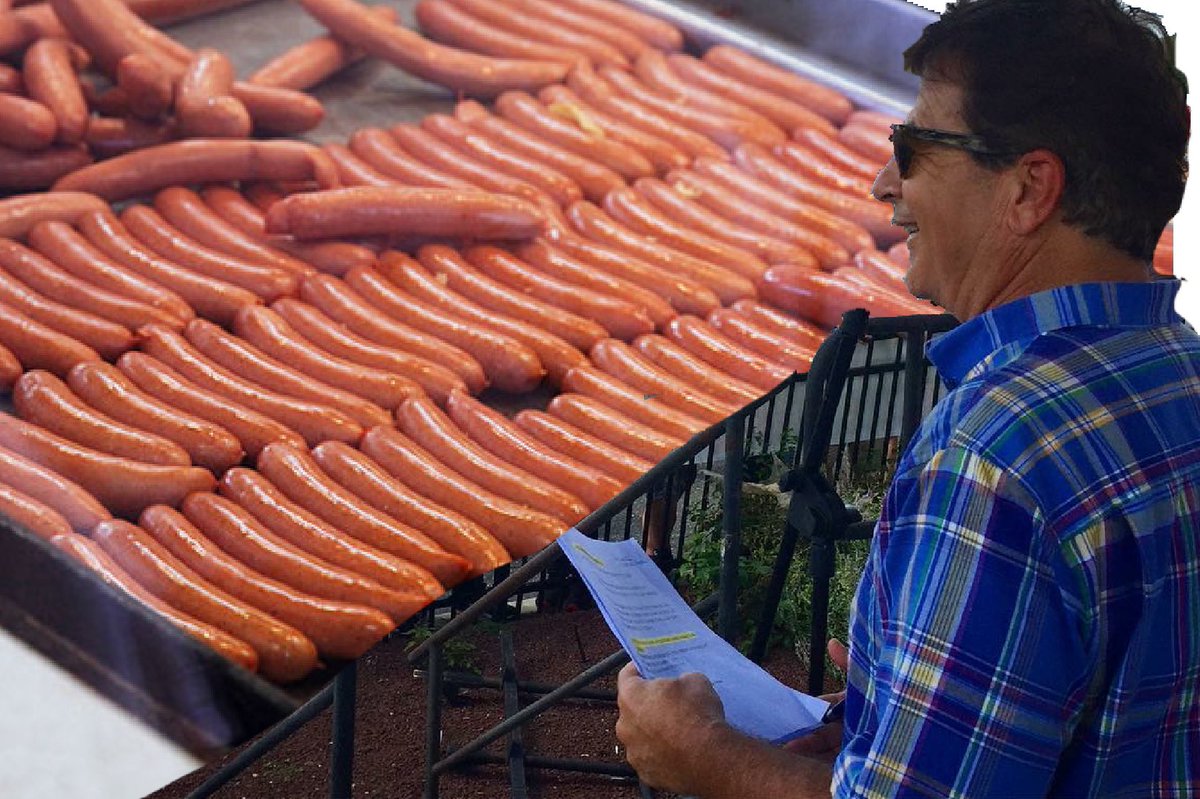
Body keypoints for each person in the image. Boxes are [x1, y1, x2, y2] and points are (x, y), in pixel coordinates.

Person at [614, 0, 1199, 796]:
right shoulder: (1181, 371)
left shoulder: (992, 455)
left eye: (914, 146)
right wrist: (889, 711)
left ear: (1029, 189)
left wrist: (704, 756)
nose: (885, 179)